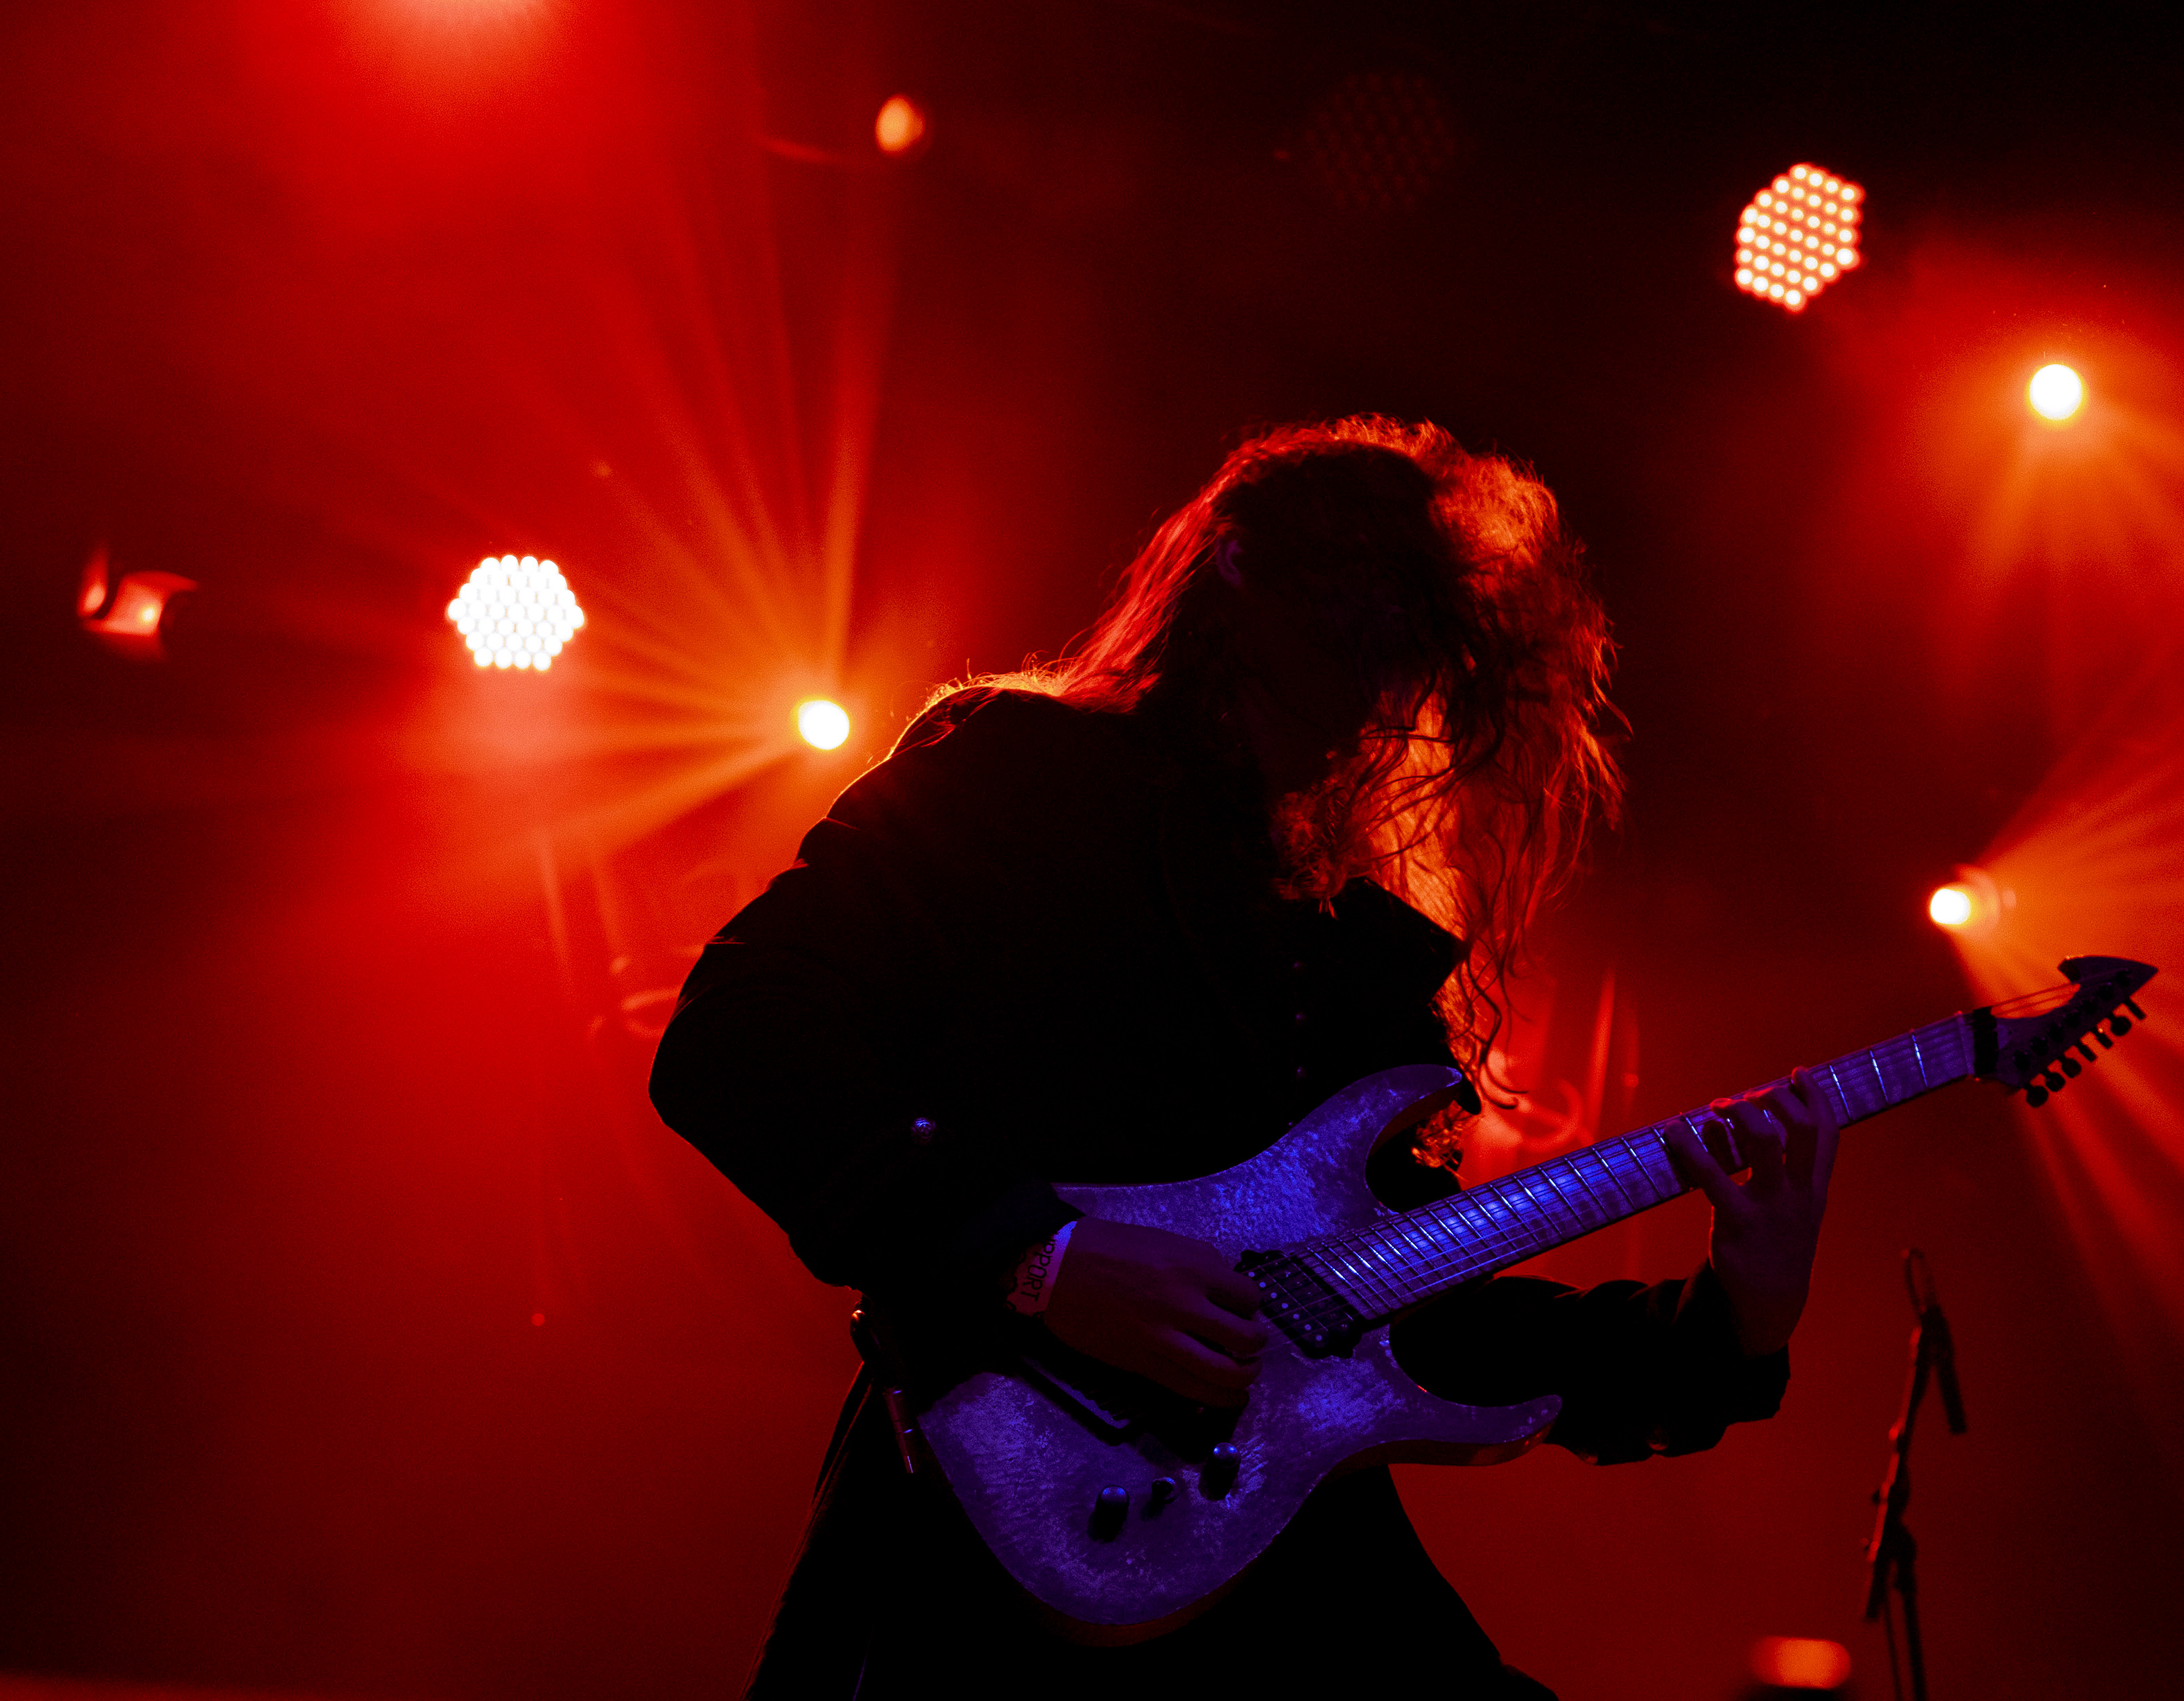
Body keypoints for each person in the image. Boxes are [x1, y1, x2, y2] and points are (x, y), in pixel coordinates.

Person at [650, 417, 1838, 1698]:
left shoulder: (1353, 956)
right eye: (1343, 631)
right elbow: (737, 1033)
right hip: (992, 1537)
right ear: (1232, 591)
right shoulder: (1016, 772)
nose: (1363, 704)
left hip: (1278, 1567)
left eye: (1399, 660)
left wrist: (1730, 1318)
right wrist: (1033, 1258)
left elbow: (1412, 1315)